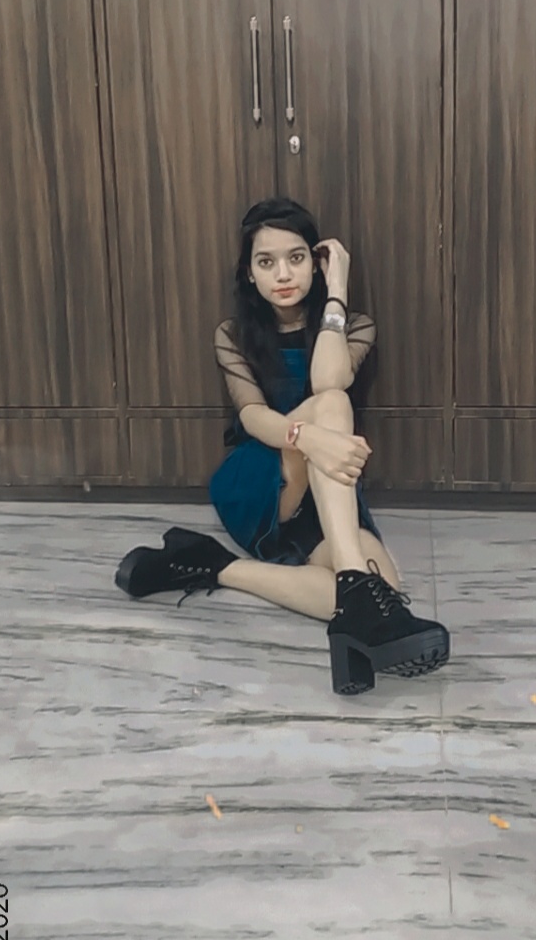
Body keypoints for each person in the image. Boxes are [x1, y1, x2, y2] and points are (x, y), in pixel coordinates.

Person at [116, 197, 449, 695]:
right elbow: (254, 417)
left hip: (326, 488)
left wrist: (337, 293)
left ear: (316, 263)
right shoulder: (233, 335)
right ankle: (355, 592)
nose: (283, 274)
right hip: (263, 475)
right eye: (266, 262)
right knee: (332, 405)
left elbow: (328, 375)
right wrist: (307, 436)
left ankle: (218, 566)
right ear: (249, 274)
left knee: (386, 589)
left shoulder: (355, 325)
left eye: (296, 258)